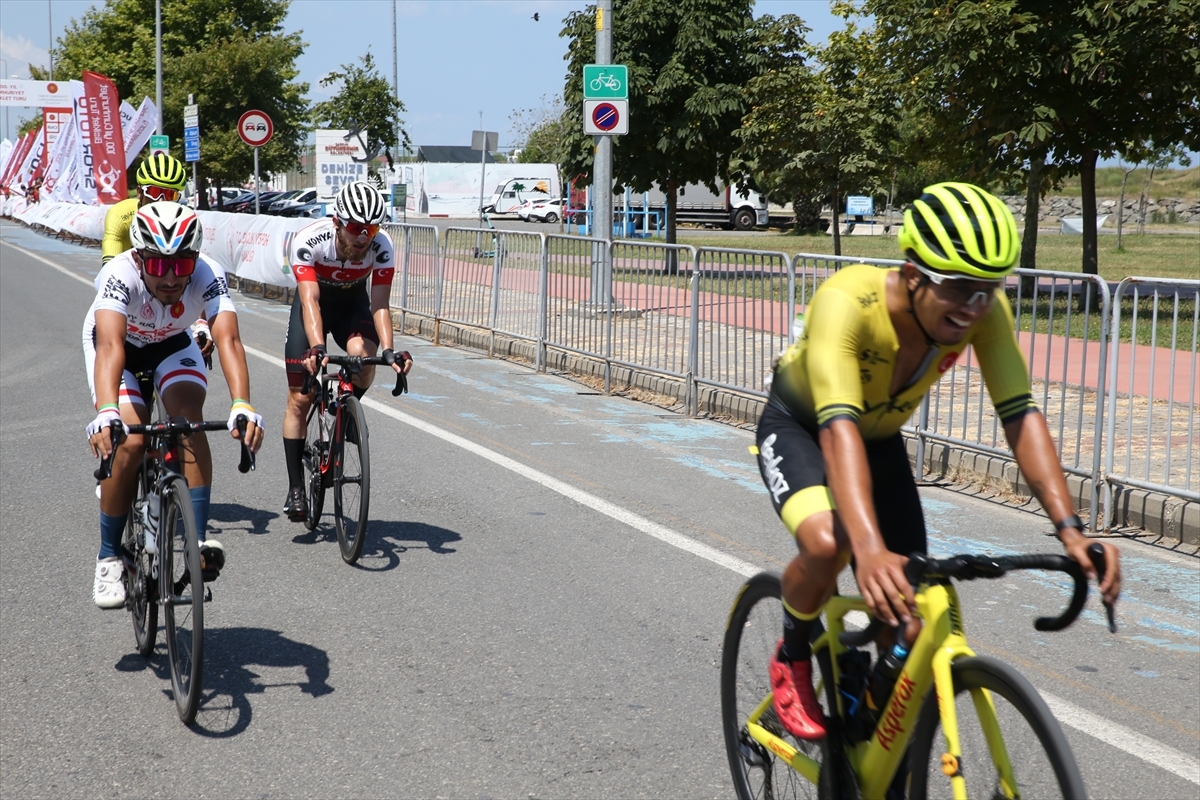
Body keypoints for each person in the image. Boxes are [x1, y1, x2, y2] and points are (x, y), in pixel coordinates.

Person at [756, 182, 1122, 740]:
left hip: (876, 445)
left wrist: (1071, 531)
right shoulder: (846, 302)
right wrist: (870, 549)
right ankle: (794, 650)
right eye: (957, 286)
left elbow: (1020, 413)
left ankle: (876, 737)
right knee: (832, 544)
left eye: (987, 289)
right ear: (912, 274)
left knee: (910, 610)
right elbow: (837, 427)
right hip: (804, 428)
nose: (972, 306)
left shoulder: (982, 314)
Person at [84, 201, 264, 608]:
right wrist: (107, 412)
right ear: (138, 256)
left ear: (195, 259)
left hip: (171, 345)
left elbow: (228, 339)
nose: (169, 277)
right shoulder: (118, 275)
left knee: (188, 421)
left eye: (181, 266)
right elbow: (110, 345)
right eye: (158, 265)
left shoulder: (208, 274)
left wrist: (242, 404)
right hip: (120, 349)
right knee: (129, 439)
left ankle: (197, 541)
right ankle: (109, 555)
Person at [280, 181, 413, 521]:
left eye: (370, 229)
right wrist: (318, 347)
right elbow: (309, 300)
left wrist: (389, 350)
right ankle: (296, 487)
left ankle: (345, 409)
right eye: (355, 228)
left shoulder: (381, 246)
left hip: (352, 305)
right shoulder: (310, 241)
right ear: (337, 221)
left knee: (363, 358)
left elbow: (380, 304)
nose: (363, 237)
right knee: (300, 397)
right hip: (314, 307)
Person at [100, 154, 216, 359]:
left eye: (170, 194)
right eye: (155, 192)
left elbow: (197, 278)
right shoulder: (120, 216)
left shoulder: (183, 221)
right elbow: (108, 272)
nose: (161, 200)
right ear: (139, 192)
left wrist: (202, 323)